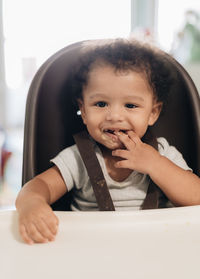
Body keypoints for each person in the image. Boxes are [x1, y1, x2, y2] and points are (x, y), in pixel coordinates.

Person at [15, 39, 200, 245]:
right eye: (101, 104)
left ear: (153, 113)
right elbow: (38, 186)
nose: (114, 116)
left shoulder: (163, 153)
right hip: (92, 249)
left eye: (130, 105)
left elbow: (196, 196)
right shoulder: (79, 158)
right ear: (84, 111)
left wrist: (155, 164)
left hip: (154, 247)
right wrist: (32, 204)